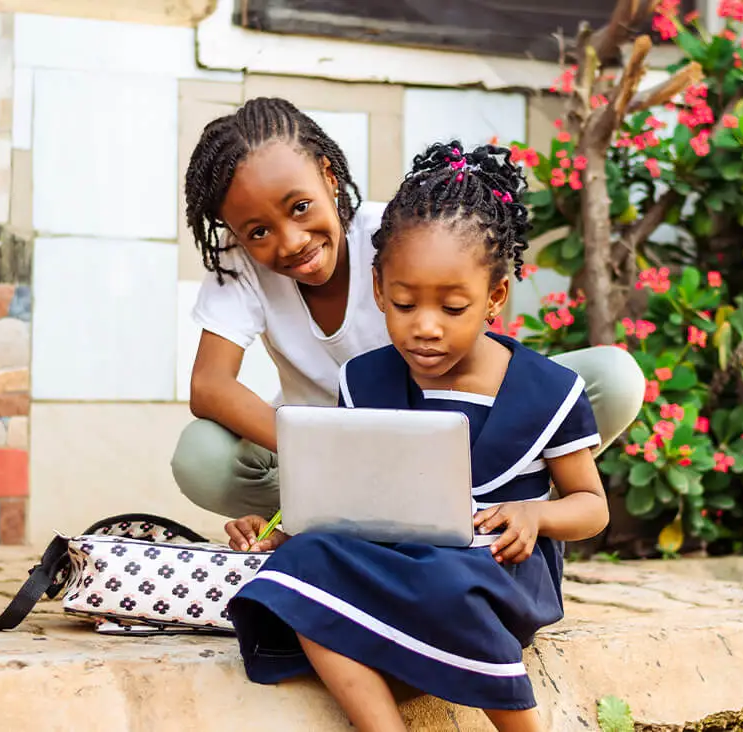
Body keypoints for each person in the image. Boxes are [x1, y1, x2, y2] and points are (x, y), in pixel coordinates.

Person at [226, 142, 610, 731]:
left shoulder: (548, 390)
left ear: (495, 299)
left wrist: (536, 517)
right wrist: (280, 529)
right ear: (379, 290)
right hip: (399, 556)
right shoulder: (365, 378)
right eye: (404, 304)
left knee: (448, 581)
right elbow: (347, 497)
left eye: (453, 307)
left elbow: (591, 508)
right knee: (304, 567)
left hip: (496, 566)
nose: (425, 328)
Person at [173, 97, 644, 525]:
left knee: (614, 377)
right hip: (329, 451)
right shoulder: (239, 269)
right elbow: (210, 385)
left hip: (456, 428)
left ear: (329, 178)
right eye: (257, 232)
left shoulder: (399, 236)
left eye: (300, 207)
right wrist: (328, 445)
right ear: (232, 230)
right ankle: (342, 516)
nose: (291, 241)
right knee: (202, 458)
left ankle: (498, 503)